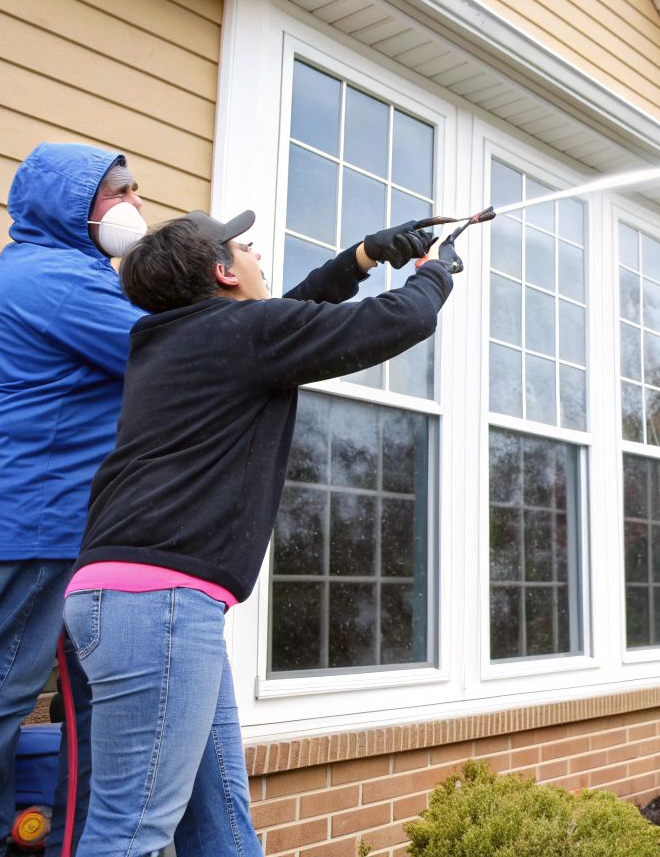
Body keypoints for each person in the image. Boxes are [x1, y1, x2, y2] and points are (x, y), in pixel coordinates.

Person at [62, 208, 457, 854]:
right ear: (223, 272)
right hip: (157, 606)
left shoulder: (186, 337)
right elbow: (400, 320)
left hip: (140, 600)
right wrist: (433, 273)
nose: (255, 251)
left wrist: (361, 254)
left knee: (217, 818)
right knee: (129, 830)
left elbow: (287, 315)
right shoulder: (240, 335)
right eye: (242, 246)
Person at [0, 143, 149, 856]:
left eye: (135, 190)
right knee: (0, 691)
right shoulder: (56, 279)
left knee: (83, 696)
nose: (133, 206)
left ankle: (73, 841)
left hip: (55, 512)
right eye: (118, 192)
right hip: (36, 510)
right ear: (73, 205)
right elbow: (171, 352)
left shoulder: (69, 272)